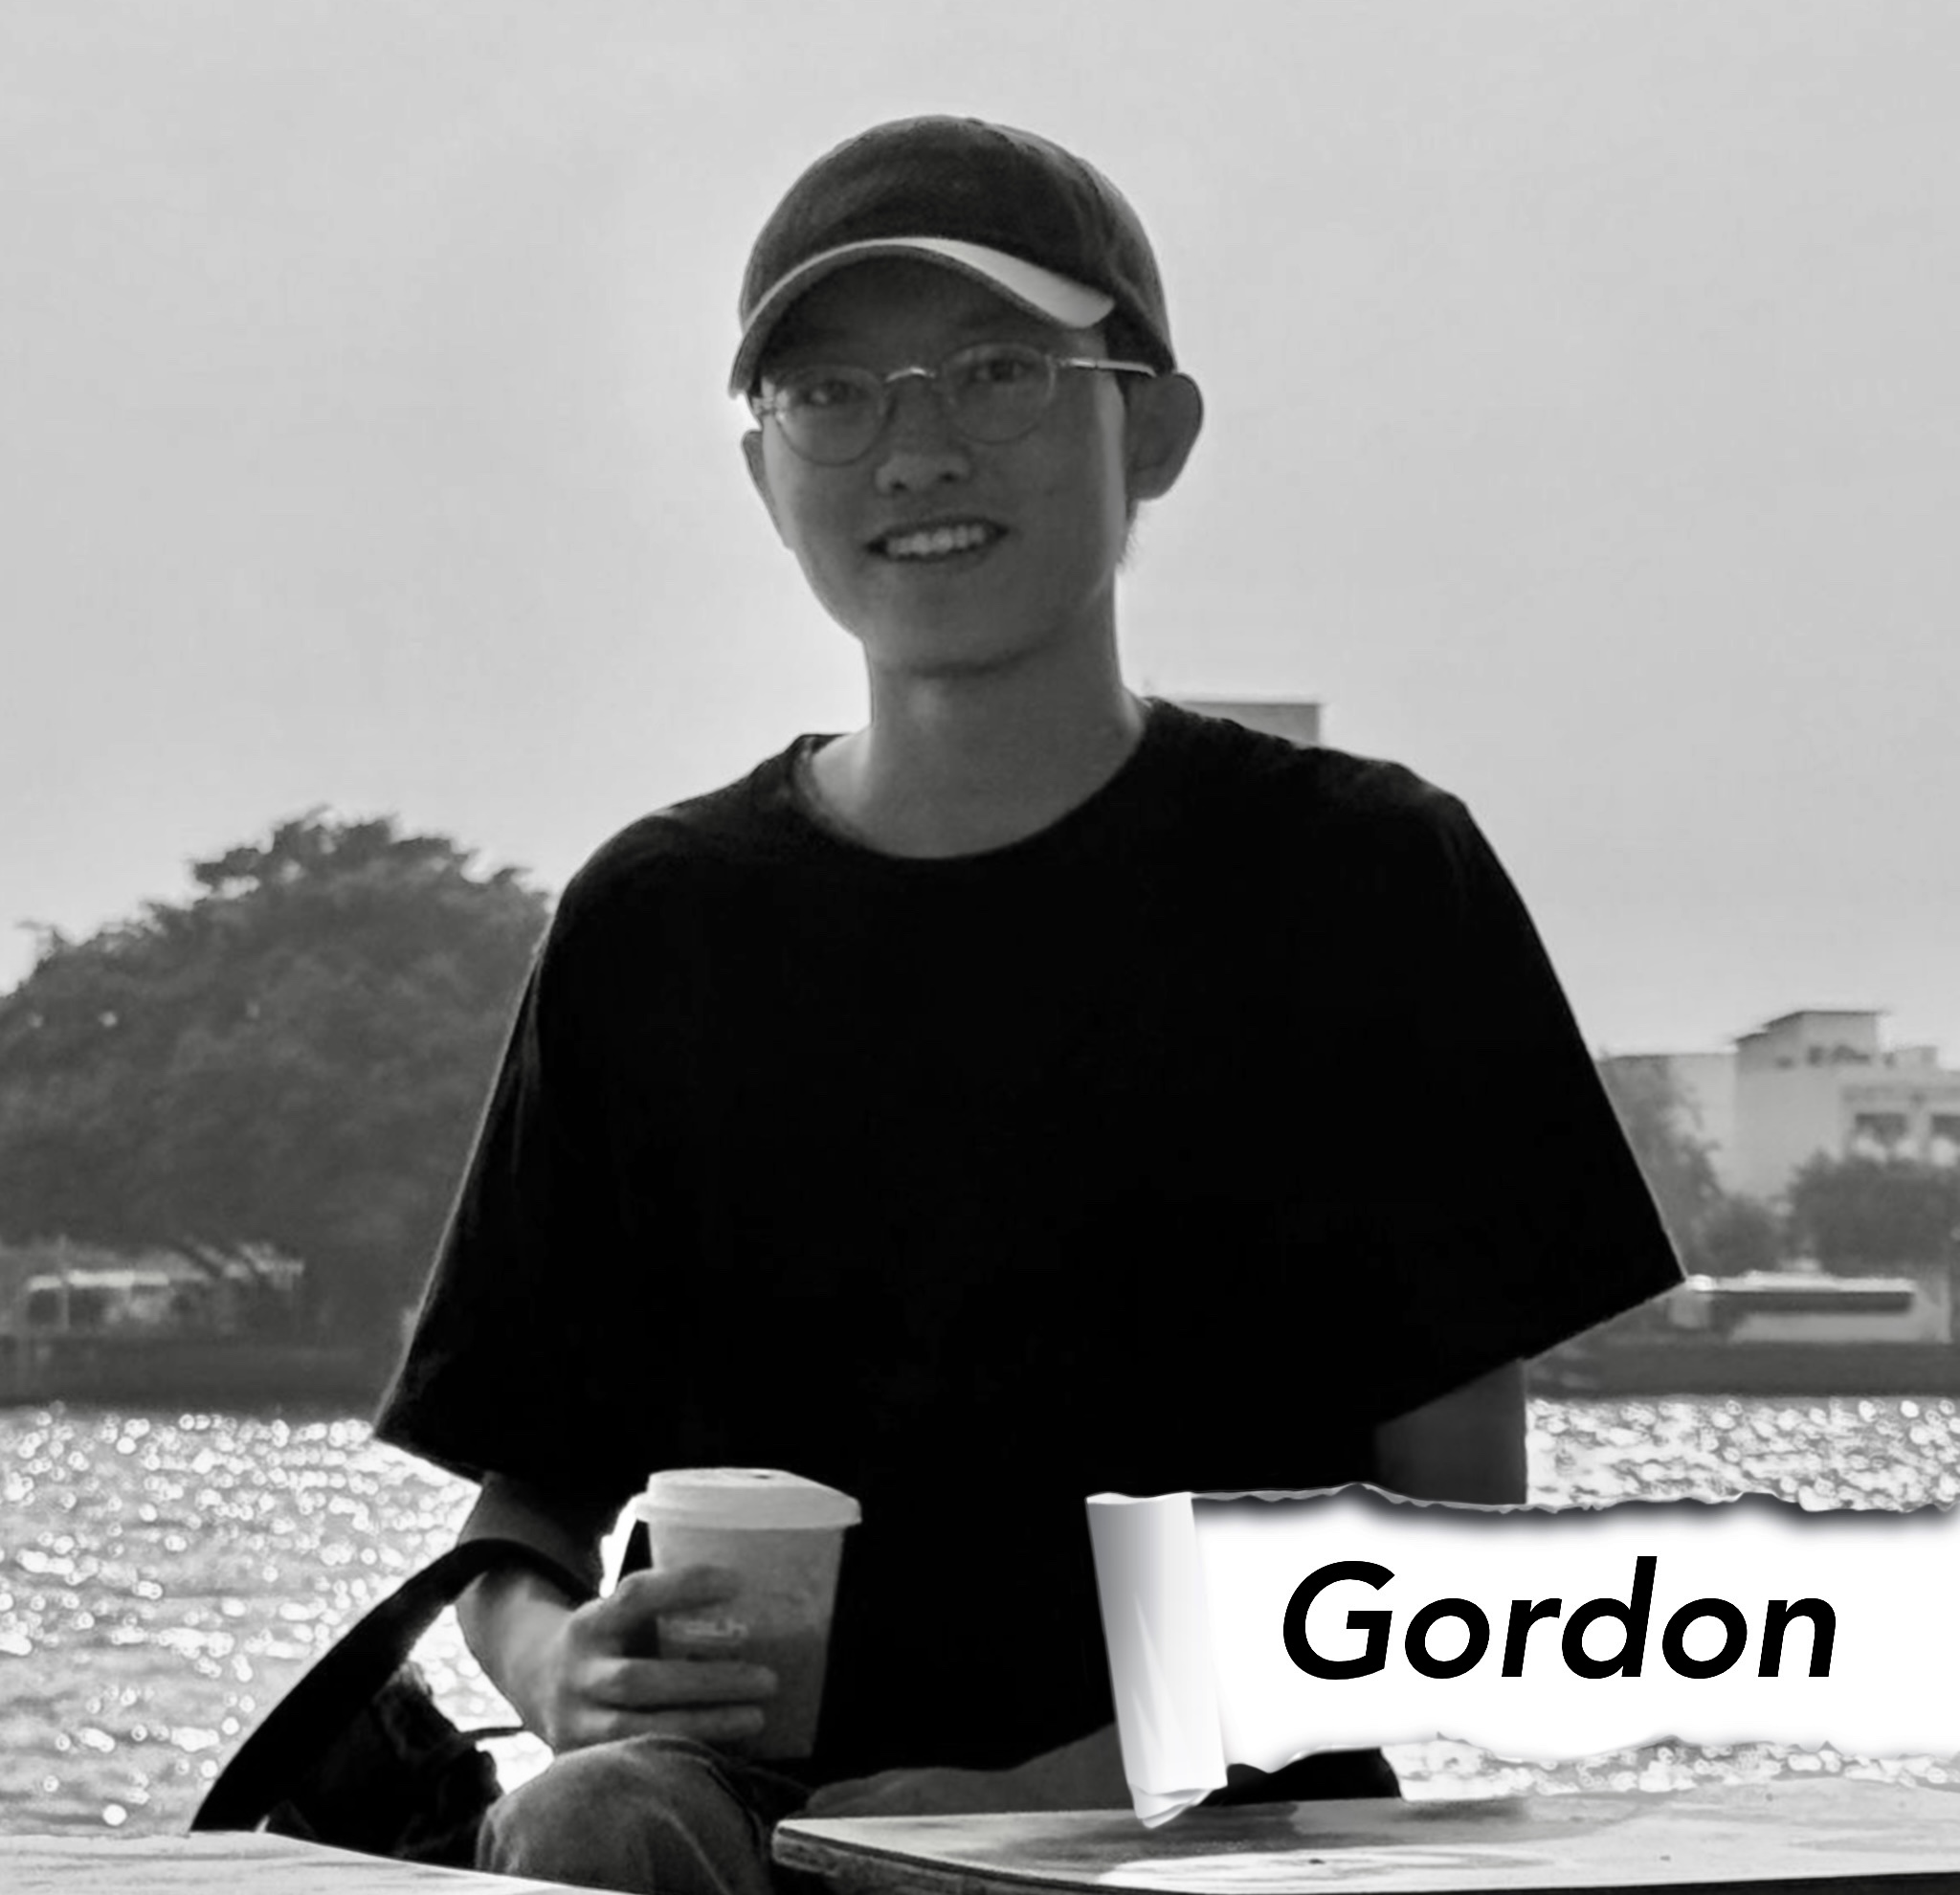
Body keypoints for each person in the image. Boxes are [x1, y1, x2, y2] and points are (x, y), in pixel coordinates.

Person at [372, 115, 1682, 1893]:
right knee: (594, 1821)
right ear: (763, 474)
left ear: (1156, 428)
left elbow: (1453, 1531)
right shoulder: (655, 923)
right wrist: (562, 1676)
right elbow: (520, 1520)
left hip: (1230, 1834)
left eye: (998, 372)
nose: (914, 448)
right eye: (830, 396)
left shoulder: (1367, 883)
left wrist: (1054, 1805)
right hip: (738, 1828)